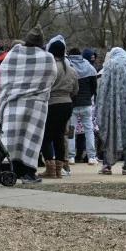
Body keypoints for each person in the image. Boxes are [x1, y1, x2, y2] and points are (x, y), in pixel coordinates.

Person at [0, 31, 57, 183]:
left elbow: (4, 75)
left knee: (11, 138)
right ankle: (29, 173)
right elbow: (51, 78)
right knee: (31, 139)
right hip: (35, 105)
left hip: (12, 101)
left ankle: (8, 170)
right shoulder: (47, 58)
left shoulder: (13, 55)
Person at [41, 36, 79, 178]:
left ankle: (50, 168)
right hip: (67, 104)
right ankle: (59, 169)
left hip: (52, 104)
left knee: (45, 136)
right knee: (59, 136)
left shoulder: (50, 68)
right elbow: (75, 90)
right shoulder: (72, 70)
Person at [65, 46, 99, 164]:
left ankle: (71, 157)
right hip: (87, 104)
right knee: (89, 130)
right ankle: (92, 157)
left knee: (71, 130)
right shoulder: (89, 67)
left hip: (72, 104)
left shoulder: (68, 66)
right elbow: (94, 88)